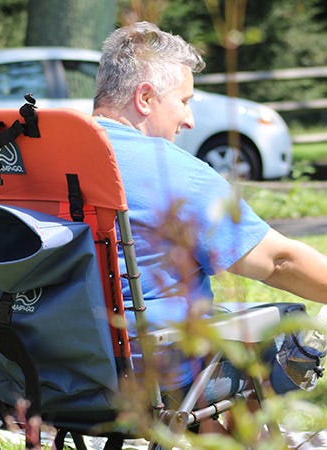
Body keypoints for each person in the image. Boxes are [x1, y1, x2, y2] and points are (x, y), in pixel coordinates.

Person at [92, 21, 327, 424]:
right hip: (147, 374)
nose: (189, 121)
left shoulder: (36, 162)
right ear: (145, 97)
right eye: (184, 101)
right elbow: (277, 262)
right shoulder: (170, 171)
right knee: (281, 324)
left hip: (40, 371)